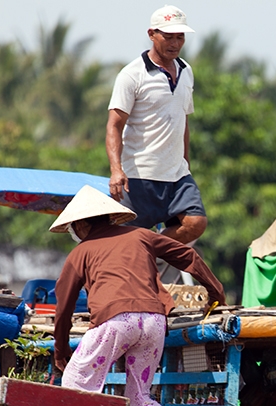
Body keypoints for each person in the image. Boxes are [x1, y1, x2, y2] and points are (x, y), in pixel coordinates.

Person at [49, 185, 227, 406]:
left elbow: (63, 307)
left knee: (75, 384)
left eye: (73, 227)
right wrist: (216, 291)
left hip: (115, 322)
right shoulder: (141, 235)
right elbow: (188, 256)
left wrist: (61, 350)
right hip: (154, 322)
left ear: (81, 224)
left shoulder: (80, 252)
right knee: (139, 396)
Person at [106, 5, 206, 245]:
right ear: (152, 34)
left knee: (195, 223)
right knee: (122, 244)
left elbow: (183, 121)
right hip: (140, 175)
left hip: (176, 174)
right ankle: (142, 254)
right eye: (168, 36)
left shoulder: (186, 71)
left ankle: (150, 247)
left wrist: (186, 160)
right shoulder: (132, 75)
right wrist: (116, 169)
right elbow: (114, 126)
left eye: (179, 36)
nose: (175, 43)